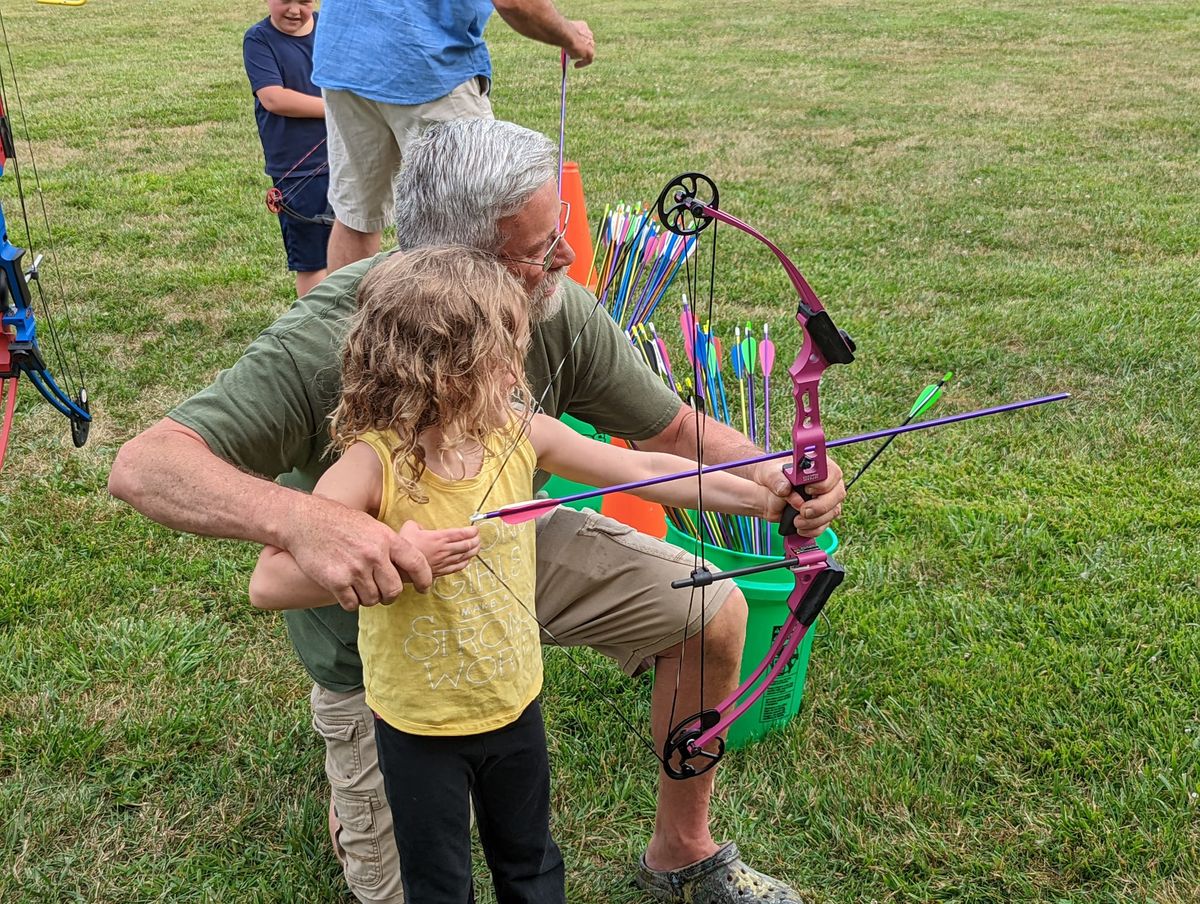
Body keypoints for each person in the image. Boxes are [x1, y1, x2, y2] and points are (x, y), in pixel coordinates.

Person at [108, 118, 846, 904]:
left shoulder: (555, 305)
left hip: (499, 547)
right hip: (378, 635)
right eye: (536, 252)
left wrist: (775, 476)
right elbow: (146, 465)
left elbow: (663, 436)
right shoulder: (332, 340)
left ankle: (682, 851)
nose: (564, 259)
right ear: (458, 266)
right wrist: (315, 526)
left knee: (711, 608)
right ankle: (354, 786)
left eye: (556, 234)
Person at [249, 247, 784, 903]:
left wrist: (762, 493)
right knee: (438, 883)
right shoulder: (369, 465)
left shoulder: (520, 432)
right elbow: (269, 582)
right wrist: (392, 550)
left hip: (510, 707)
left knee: (530, 866)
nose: (518, 366)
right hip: (417, 728)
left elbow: (651, 473)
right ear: (454, 370)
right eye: (508, 351)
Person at [311, 0, 596, 274]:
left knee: (357, 217)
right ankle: (467, 323)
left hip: (344, 55)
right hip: (428, 62)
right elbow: (515, 3)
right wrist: (572, 36)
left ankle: (347, 322)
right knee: (479, 224)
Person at [243, 0, 332, 297]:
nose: (294, 10)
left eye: (304, 1)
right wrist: (337, 109)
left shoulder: (330, 28)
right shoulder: (259, 39)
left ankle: (350, 324)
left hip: (347, 159)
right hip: (298, 169)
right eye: (286, 0)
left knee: (351, 247)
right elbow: (274, 99)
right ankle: (314, 331)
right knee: (312, 260)